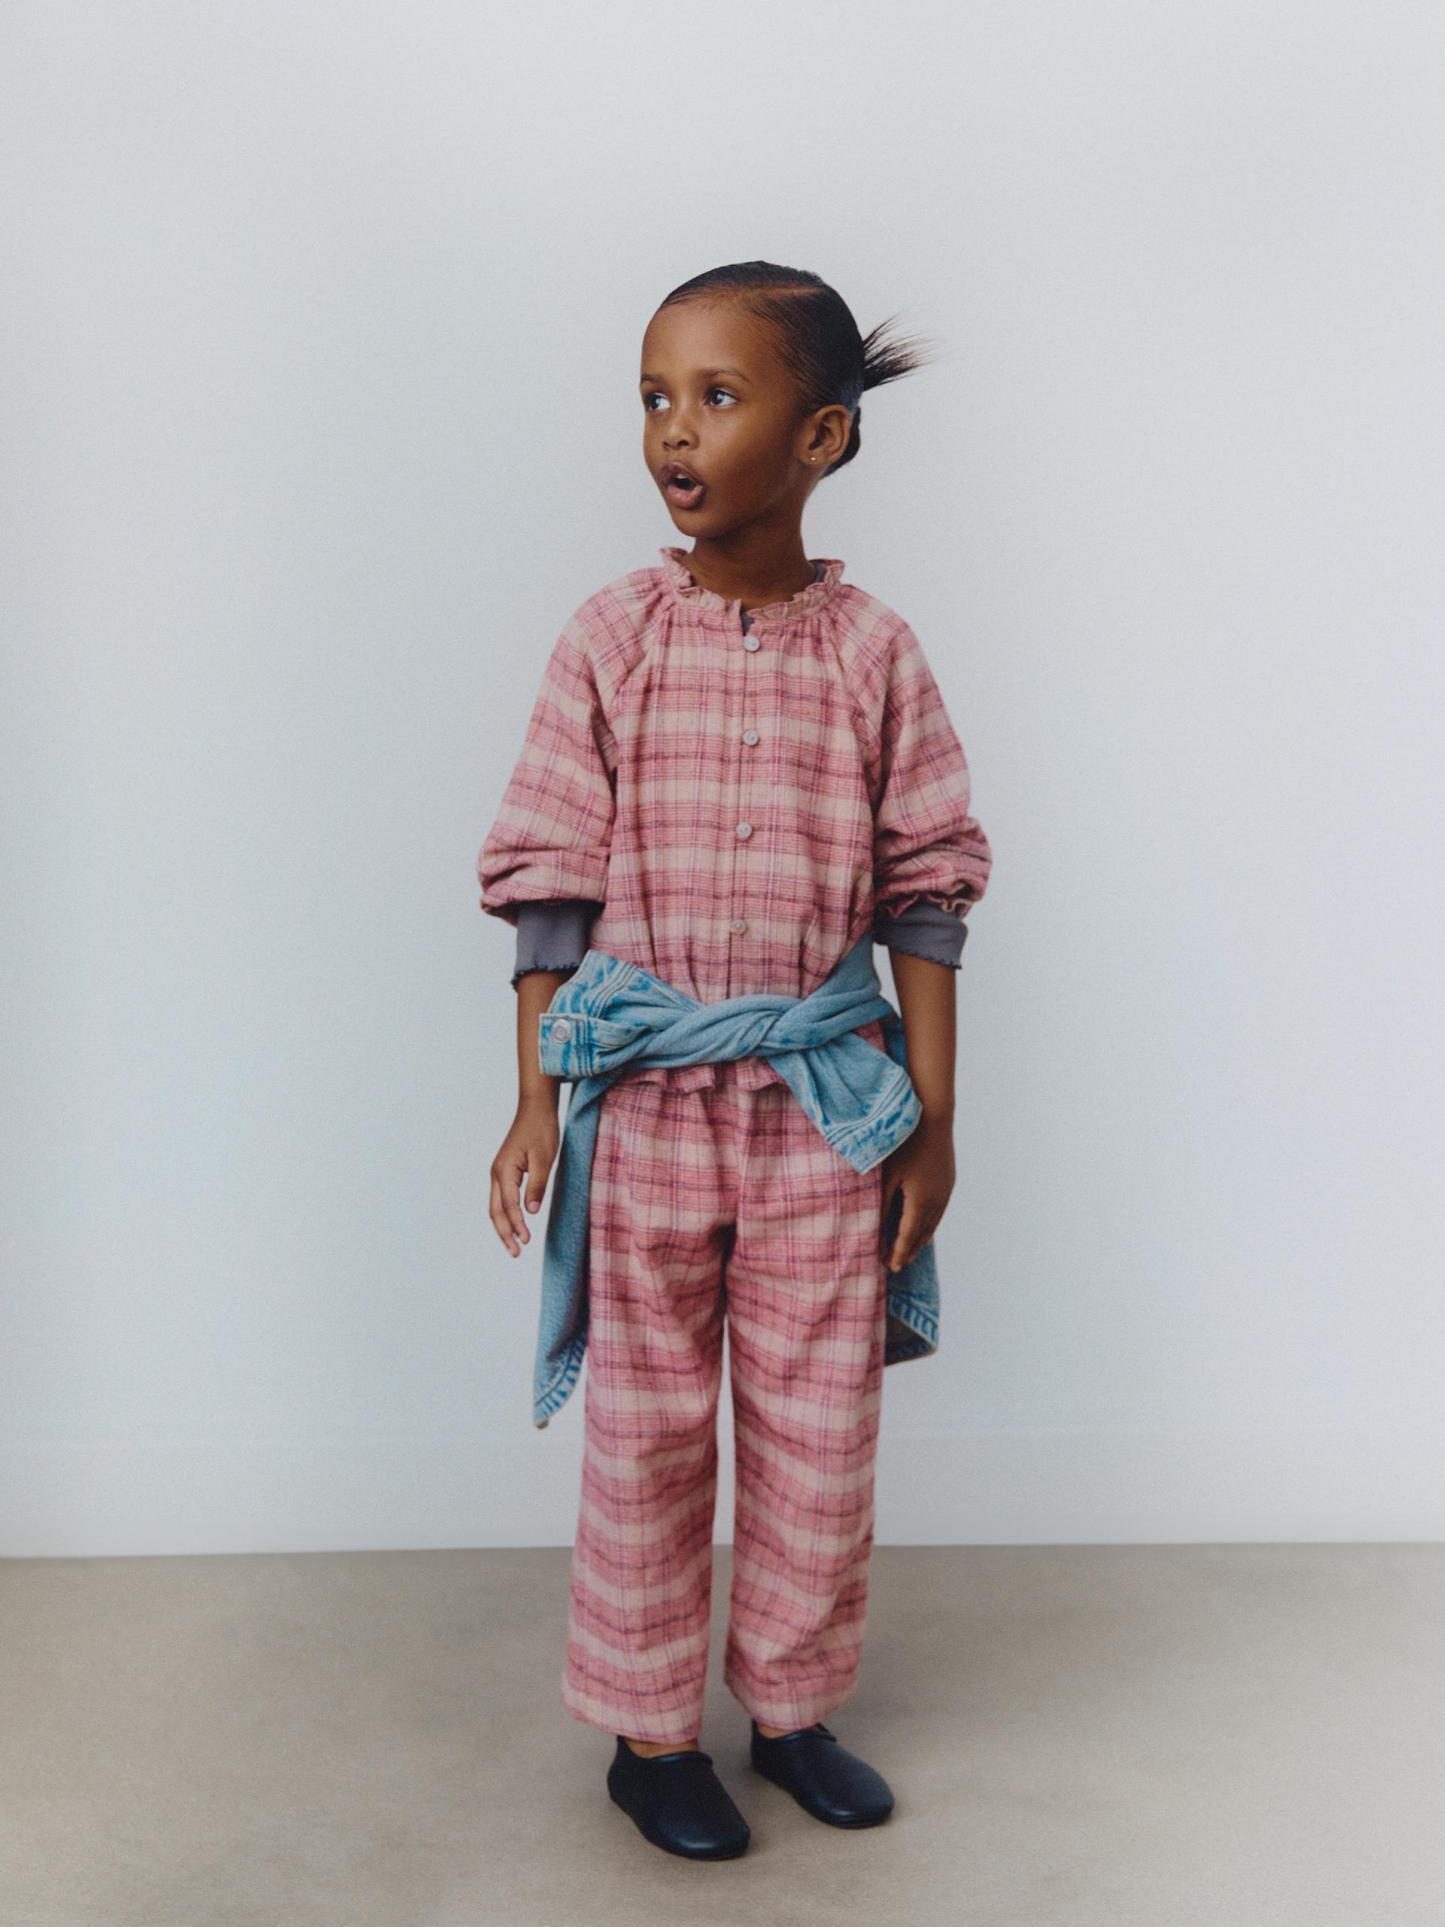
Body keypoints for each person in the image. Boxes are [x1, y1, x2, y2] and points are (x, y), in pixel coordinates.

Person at [475, 260, 992, 1860]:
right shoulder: (609, 639)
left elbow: (925, 896)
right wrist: (534, 1098)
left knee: (817, 1427)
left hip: (827, 1111)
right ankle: (649, 1737)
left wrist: (931, 1123)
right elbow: (549, 890)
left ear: (820, 435)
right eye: (653, 396)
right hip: (645, 1108)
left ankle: (789, 1708)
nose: (673, 431)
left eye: (716, 396)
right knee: (646, 1430)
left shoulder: (876, 655)